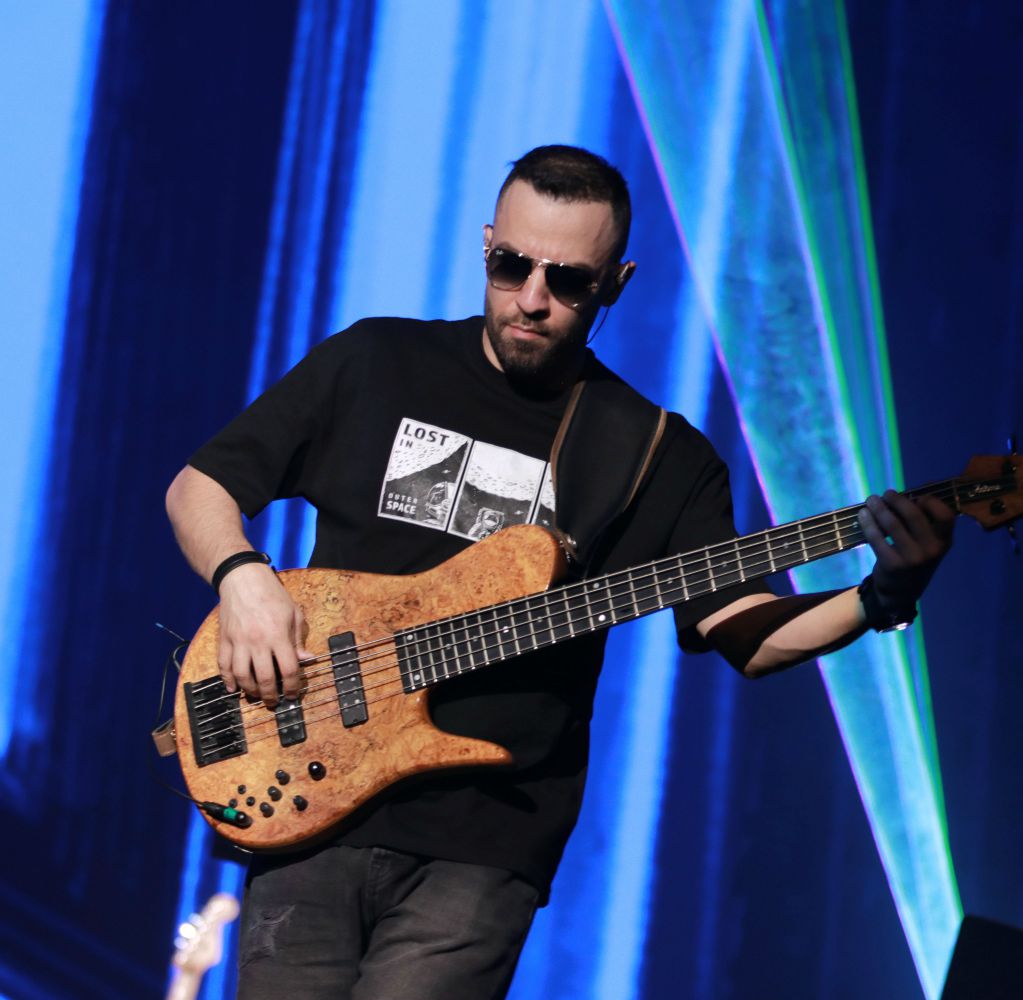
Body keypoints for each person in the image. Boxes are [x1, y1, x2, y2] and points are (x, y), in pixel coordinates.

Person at [165, 144, 954, 999]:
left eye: (568, 281)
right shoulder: (376, 360)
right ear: (486, 246)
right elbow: (201, 487)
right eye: (512, 266)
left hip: (486, 839)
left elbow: (749, 637)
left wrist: (883, 593)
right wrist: (243, 578)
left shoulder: (658, 456)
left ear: (616, 282)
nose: (532, 299)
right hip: (310, 788)